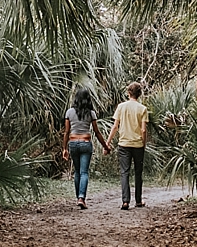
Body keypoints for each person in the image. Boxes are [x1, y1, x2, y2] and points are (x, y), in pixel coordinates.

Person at [62, 88, 110, 209]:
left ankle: (79, 196)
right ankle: (81, 198)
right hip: (85, 143)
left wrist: (64, 149)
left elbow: (66, 132)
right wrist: (106, 146)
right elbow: (97, 132)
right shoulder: (91, 113)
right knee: (84, 172)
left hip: (73, 143)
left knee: (77, 172)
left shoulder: (69, 112)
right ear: (88, 99)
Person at [107, 81, 149, 210]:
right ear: (139, 94)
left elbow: (115, 126)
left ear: (128, 93)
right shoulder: (142, 109)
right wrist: (144, 143)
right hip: (138, 144)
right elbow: (143, 130)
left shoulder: (121, 107)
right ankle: (138, 200)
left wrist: (107, 142)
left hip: (124, 144)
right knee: (138, 172)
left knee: (124, 172)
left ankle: (125, 201)